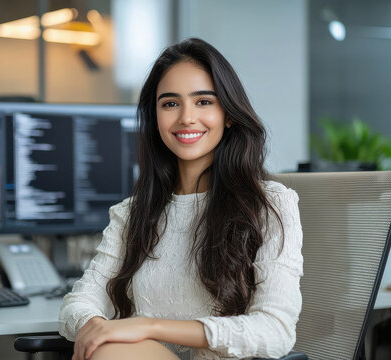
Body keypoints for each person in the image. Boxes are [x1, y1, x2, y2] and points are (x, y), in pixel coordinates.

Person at [59, 38, 303, 360]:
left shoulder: (270, 205)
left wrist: (149, 327)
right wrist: (96, 326)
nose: (186, 118)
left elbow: (276, 332)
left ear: (228, 114)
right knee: (104, 346)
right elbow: (77, 304)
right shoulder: (133, 214)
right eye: (170, 104)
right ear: (155, 116)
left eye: (203, 102)